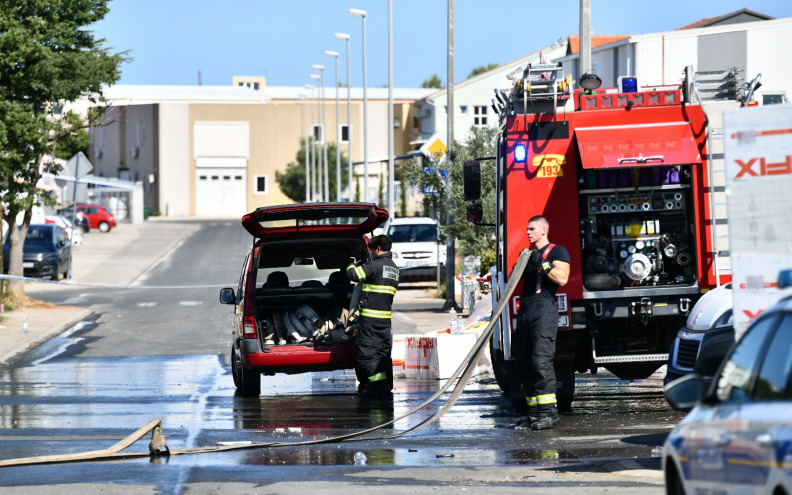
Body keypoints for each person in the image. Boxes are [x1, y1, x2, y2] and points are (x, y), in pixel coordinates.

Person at [515, 215, 570, 430]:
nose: (528, 232)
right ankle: (534, 414)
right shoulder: (527, 254)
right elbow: (515, 280)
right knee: (524, 363)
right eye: (527, 229)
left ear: (544, 231)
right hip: (527, 308)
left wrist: (543, 264)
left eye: (532, 229)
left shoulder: (557, 251)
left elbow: (563, 278)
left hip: (544, 309)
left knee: (540, 361)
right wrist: (521, 265)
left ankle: (549, 414)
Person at [346, 234, 400, 397]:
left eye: (371, 250)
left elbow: (354, 275)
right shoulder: (393, 268)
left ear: (377, 249)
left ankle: (377, 387)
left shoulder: (375, 266)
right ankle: (385, 385)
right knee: (382, 353)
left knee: (368, 355)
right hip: (384, 320)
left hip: (370, 320)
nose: (371, 254)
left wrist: (350, 264)